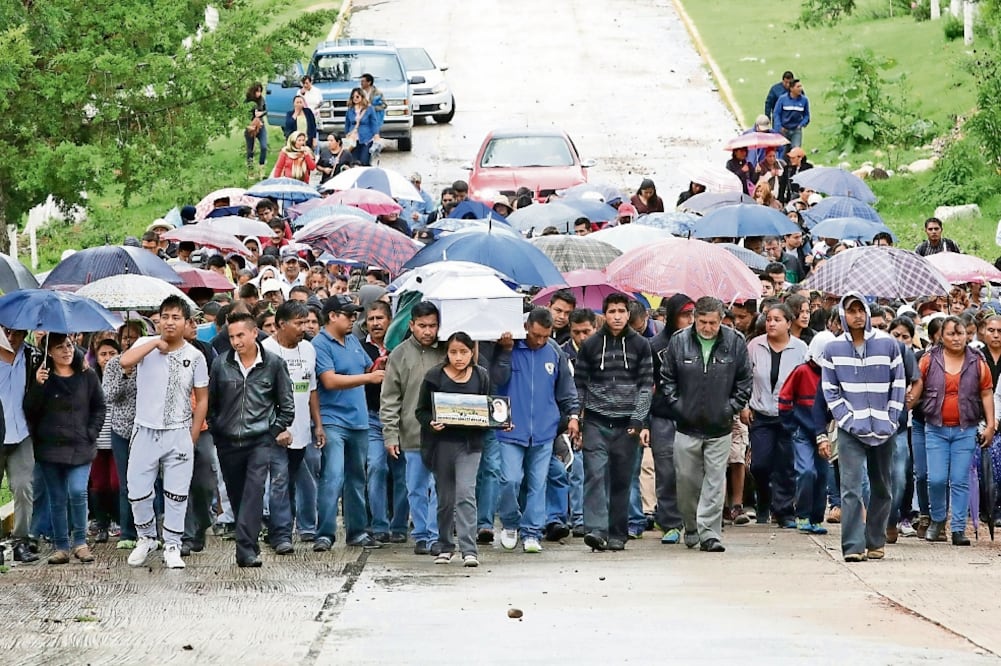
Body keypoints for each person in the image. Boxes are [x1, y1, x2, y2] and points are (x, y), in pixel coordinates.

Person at [120, 296, 209, 570]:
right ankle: (146, 538)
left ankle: (172, 544)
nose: (170, 322)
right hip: (145, 430)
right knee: (137, 490)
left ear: (186, 322)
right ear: (158, 319)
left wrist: (193, 434)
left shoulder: (195, 357)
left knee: (177, 493)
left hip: (178, 431)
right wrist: (154, 344)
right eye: (165, 317)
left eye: (176, 317)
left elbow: (202, 398)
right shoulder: (144, 346)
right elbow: (125, 362)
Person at [819, 292, 906, 562]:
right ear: (842, 315)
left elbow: (899, 384)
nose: (857, 315)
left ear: (867, 312)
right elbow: (830, 390)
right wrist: (847, 419)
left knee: (882, 487)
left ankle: (875, 539)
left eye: (860, 309)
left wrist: (891, 418)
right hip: (850, 429)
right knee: (850, 488)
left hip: (883, 428)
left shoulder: (888, 344)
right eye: (850, 310)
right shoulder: (833, 349)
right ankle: (854, 546)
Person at [660, 297, 752, 552]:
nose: (707, 327)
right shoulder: (679, 341)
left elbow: (745, 380)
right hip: (686, 424)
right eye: (703, 322)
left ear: (721, 320)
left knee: (714, 480)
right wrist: (677, 406)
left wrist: (730, 408)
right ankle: (691, 525)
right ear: (695, 319)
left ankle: (710, 533)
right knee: (686, 480)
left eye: (713, 322)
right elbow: (667, 378)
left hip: (720, 425)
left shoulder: (735, 342)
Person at [209, 312, 295, 567]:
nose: (236, 341)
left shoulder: (274, 364)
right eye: (231, 336)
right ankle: (249, 542)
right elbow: (212, 404)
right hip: (227, 442)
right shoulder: (221, 364)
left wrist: (270, 433)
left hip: (259, 441)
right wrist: (217, 430)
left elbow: (287, 407)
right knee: (237, 496)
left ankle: (245, 550)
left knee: (254, 493)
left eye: (240, 335)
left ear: (254, 333)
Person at [492, 308, 579, 553]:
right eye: (536, 335)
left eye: (545, 336)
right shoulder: (510, 344)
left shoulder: (554, 351)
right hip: (510, 428)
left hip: (544, 429)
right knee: (510, 480)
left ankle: (532, 532)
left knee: (538, 484)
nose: (539, 341)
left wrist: (572, 416)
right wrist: (506, 351)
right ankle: (510, 523)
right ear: (527, 326)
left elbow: (566, 389)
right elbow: (497, 379)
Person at [574, 293, 654, 552]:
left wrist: (639, 419)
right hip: (596, 420)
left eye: (621, 311)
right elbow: (580, 385)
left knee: (621, 478)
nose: (617, 316)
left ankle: (618, 533)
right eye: (612, 311)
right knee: (595, 474)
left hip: (627, 422)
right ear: (604, 314)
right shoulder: (591, 345)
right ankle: (596, 530)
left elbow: (645, 386)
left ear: (629, 314)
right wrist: (577, 416)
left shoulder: (641, 345)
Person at [24, 334, 105, 565]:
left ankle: (80, 542)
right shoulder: (41, 376)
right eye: (60, 348)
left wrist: (91, 431)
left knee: (78, 491)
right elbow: (30, 409)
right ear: (50, 352)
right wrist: (38, 386)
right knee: (57, 498)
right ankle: (61, 546)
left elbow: (99, 406)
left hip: (81, 445)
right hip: (49, 448)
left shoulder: (86, 374)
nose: (66, 351)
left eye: (68, 346)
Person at [914, 316, 995, 545]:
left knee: (959, 479)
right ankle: (938, 519)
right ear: (942, 336)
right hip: (935, 428)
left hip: (965, 430)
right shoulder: (929, 360)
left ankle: (958, 529)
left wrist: (989, 425)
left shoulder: (977, 361)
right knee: (936, 479)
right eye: (951, 334)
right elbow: (916, 385)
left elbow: (986, 393)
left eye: (960, 334)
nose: (956, 338)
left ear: (967, 335)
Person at [312, 295, 384, 551]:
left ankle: (356, 532)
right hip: (333, 419)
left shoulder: (353, 340)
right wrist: (369, 378)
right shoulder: (320, 344)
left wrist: (377, 366)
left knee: (356, 479)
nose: (354, 319)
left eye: (355, 315)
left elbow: (364, 370)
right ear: (332, 316)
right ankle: (325, 533)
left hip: (359, 420)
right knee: (332, 476)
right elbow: (329, 381)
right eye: (348, 315)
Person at [415, 332, 492, 567]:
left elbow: (489, 408)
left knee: (465, 494)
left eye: (464, 352)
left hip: (470, 445)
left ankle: (470, 549)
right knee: (445, 498)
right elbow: (421, 410)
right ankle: (445, 545)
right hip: (442, 445)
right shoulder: (434, 376)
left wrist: (501, 420)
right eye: (453, 352)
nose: (458, 357)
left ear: (472, 352)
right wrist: (431, 422)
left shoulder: (481, 375)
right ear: (446, 353)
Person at [381, 302, 447, 555]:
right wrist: (390, 434)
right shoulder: (399, 354)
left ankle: (433, 535)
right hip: (411, 432)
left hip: (443, 433)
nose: (427, 331)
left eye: (432, 326)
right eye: (422, 326)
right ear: (411, 325)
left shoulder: (446, 351)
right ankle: (421, 534)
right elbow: (389, 398)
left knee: (440, 487)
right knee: (416, 488)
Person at [262, 301, 324, 552]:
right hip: (275, 432)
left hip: (301, 429)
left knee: (289, 482)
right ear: (280, 325)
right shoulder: (265, 350)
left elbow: (311, 389)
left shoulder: (308, 349)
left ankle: (281, 527)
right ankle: (281, 536)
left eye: (307, 322)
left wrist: (317, 424)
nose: (304, 328)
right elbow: (260, 395)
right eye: (298, 323)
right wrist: (276, 427)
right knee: (278, 480)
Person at [742, 303, 809, 529]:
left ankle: (784, 511)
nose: (771, 323)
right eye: (769, 319)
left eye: (777, 319)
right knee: (759, 464)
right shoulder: (754, 346)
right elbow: (745, 378)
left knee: (786, 464)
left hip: (789, 414)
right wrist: (744, 406)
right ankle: (764, 498)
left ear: (789, 323)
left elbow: (806, 382)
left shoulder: (800, 349)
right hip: (760, 413)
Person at [360, 301, 408, 543]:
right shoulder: (360, 349)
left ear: (390, 321)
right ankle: (379, 524)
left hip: (401, 419)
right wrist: (373, 371)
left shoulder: (402, 348)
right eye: (371, 319)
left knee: (402, 473)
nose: (376, 323)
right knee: (376, 467)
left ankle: (399, 524)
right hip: (371, 416)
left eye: (380, 318)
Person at [648, 294, 694, 544]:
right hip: (663, 415)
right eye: (684, 314)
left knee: (692, 472)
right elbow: (646, 385)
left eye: (692, 314)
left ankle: (693, 522)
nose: (689, 320)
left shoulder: (700, 343)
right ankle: (669, 522)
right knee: (666, 472)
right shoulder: (655, 345)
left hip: (693, 416)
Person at [779, 331, 834, 535]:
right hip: (802, 431)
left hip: (823, 433)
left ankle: (816, 517)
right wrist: (790, 425)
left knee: (822, 474)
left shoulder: (832, 375)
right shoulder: (801, 371)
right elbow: (785, 398)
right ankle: (802, 514)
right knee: (806, 471)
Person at [0, 326, 43, 563]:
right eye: (6, 331)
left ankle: (21, 541)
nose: (11, 337)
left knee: (23, 488)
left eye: (16, 332)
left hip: (22, 433)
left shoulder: (33, 356)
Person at [90, 337, 121, 544]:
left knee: (116, 481)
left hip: (118, 437)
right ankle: (101, 522)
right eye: (103, 354)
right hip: (95, 439)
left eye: (112, 353)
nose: (108, 358)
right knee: (98, 483)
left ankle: (118, 520)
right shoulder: (90, 378)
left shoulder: (125, 374)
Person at [344, 87, 380, 166]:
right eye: (353, 97)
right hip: (353, 139)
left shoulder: (369, 109)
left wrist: (376, 135)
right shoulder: (350, 109)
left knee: (364, 161)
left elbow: (374, 123)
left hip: (366, 138)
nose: (355, 99)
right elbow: (347, 123)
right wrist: (347, 134)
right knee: (353, 161)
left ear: (362, 97)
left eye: (357, 96)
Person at [773, 78, 810, 148]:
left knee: (795, 151)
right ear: (791, 88)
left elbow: (806, 115)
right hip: (784, 130)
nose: (800, 89)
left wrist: (801, 125)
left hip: (796, 130)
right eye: (798, 87)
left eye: (801, 86)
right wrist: (779, 127)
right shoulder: (782, 99)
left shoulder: (804, 100)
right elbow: (776, 113)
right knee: (782, 152)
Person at [244, 82, 268, 180]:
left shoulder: (261, 100)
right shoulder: (247, 101)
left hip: (260, 126)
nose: (259, 93)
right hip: (250, 126)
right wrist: (248, 125)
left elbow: (266, 110)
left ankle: (261, 170)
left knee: (264, 147)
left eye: (260, 91)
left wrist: (261, 114)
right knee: (250, 150)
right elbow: (243, 116)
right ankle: (250, 172)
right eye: (257, 91)